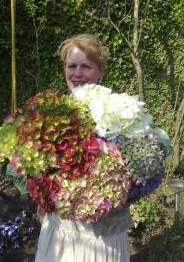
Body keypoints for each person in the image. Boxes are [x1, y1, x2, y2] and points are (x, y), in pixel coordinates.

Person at [34, 34, 134, 262]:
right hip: (60, 233)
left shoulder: (121, 112)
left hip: (102, 237)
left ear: (100, 71)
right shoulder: (51, 113)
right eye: (72, 66)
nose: (77, 74)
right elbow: (29, 169)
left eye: (86, 66)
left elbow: (140, 170)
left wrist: (116, 188)